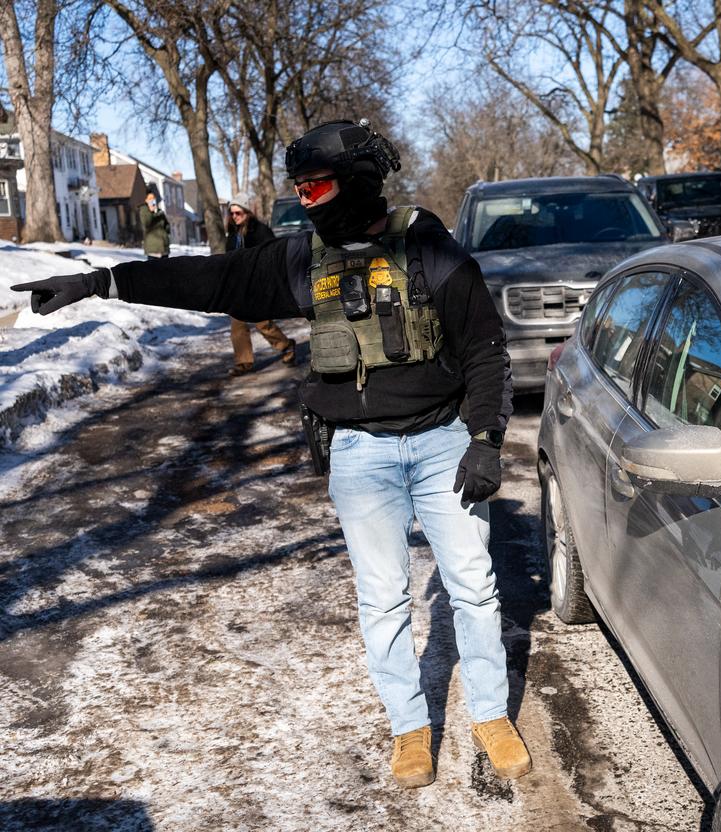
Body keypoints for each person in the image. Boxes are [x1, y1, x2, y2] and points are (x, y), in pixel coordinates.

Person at [14, 119, 527, 791]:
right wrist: (101, 283)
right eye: (300, 188)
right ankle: (409, 727)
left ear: (357, 181)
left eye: (315, 185)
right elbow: (211, 282)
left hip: (442, 446)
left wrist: (486, 440)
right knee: (382, 600)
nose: (306, 198)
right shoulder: (300, 260)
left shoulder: (432, 252)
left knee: (473, 588)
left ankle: (490, 714)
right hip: (360, 455)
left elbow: (487, 351)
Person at [225, 195, 296, 376]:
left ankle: (286, 346)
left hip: (257, 285)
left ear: (247, 212)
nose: (234, 216)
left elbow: (273, 255)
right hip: (238, 287)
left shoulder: (260, 231)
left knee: (262, 323)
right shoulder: (232, 234)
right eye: (232, 213)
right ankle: (243, 363)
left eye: (238, 212)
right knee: (237, 326)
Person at [139, 188, 170, 258]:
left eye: (153, 198)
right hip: (153, 249)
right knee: (153, 268)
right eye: (150, 198)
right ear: (146, 200)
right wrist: (152, 212)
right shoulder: (144, 210)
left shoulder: (159, 211)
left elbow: (167, 228)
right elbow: (146, 223)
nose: (152, 200)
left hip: (164, 248)